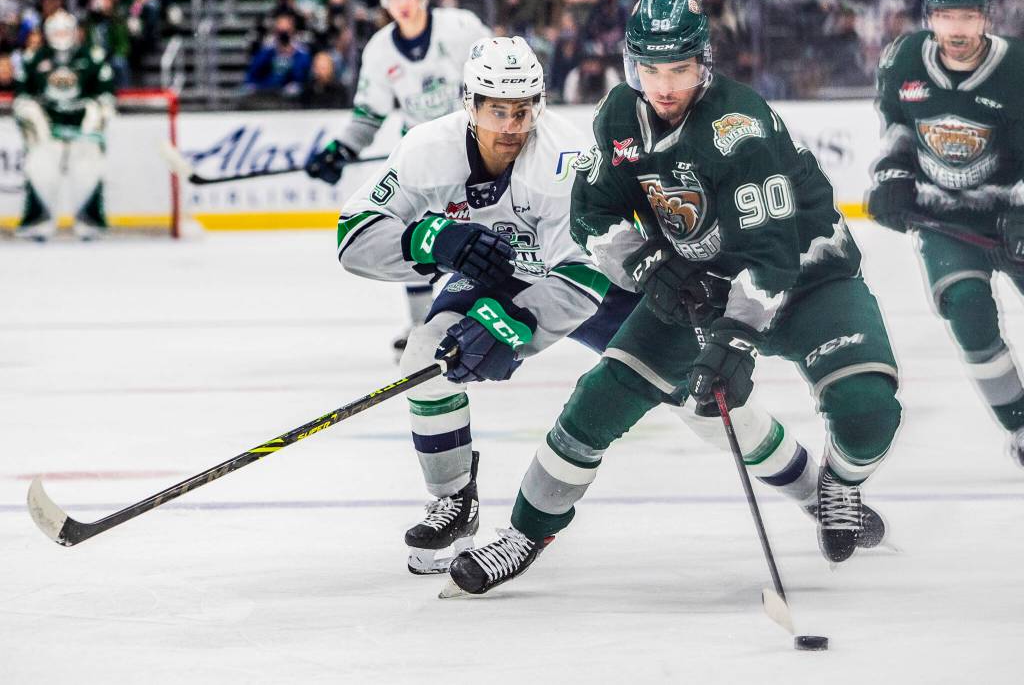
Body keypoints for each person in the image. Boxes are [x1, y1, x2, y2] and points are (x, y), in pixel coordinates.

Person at [340, 34, 886, 577]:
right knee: (426, 356)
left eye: (522, 110)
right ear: (469, 104)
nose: (510, 127)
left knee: (706, 407)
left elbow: (582, 274)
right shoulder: (425, 151)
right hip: (503, 275)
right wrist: (428, 239)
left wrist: (513, 326)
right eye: (496, 111)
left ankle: (815, 493)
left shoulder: (561, 158)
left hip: (600, 289)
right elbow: (354, 235)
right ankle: (454, 501)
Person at [867, 0, 1024, 468]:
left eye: (968, 16)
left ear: (986, 18)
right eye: (946, 16)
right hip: (945, 219)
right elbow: (898, 126)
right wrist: (892, 176)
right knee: (968, 311)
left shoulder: (1017, 68)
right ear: (930, 17)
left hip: (1012, 210)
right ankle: (1020, 425)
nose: (957, 29)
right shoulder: (904, 59)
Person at [305, 0, 492, 360]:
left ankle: (483, 314)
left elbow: (497, 76)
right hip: (421, 156)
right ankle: (422, 324)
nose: (403, 3)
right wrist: (342, 149)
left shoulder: (460, 28)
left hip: (474, 149)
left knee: (483, 231)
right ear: (384, 2)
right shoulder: (379, 50)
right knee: (414, 231)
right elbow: (369, 114)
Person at [14, 10, 115, 241]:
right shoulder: (33, 58)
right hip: (47, 128)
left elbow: (106, 94)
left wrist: (96, 115)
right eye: (56, 32)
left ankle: (91, 220)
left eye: (65, 31)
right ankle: (37, 220)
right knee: (39, 170)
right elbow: (22, 96)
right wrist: (33, 117)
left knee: (90, 170)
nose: (61, 36)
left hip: (83, 128)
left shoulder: (92, 57)